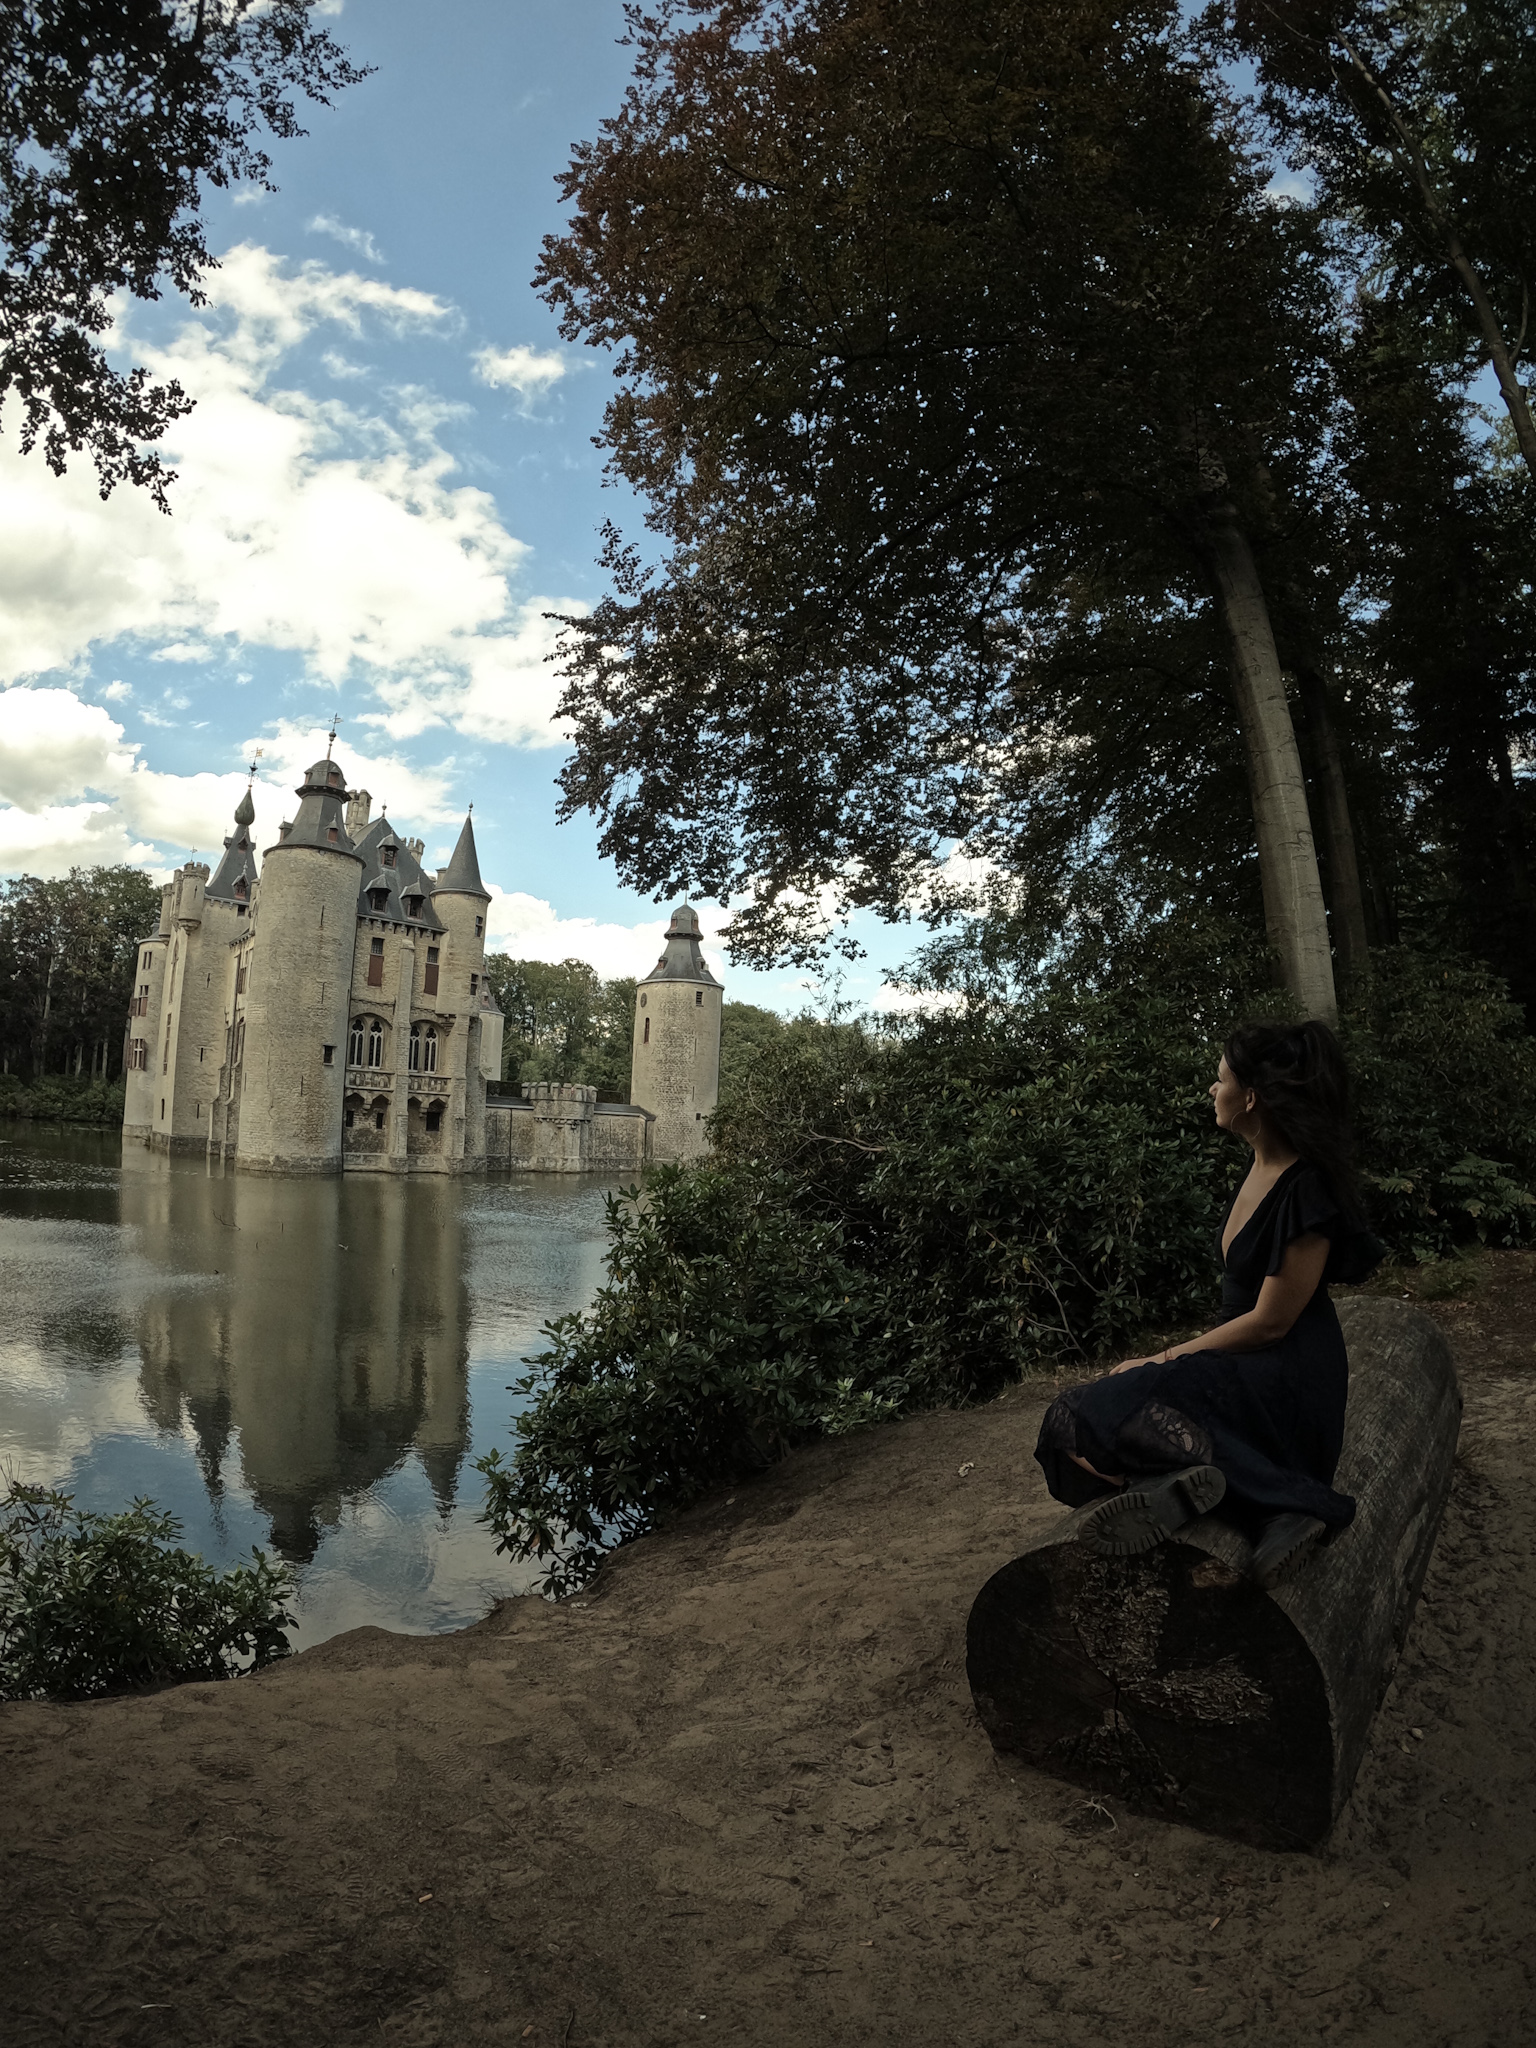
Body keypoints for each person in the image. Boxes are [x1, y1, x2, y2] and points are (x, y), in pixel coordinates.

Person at [1034, 1018, 1385, 1589]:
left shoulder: (1307, 1188)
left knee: (1083, 1414)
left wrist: (1166, 1358)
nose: (1211, 1090)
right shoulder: (1260, 1168)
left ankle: (1288, 1505)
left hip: (1288, 1386)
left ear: (1250, 1097)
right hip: (1245, 1370)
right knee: (1068, 1424)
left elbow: (1271, 1323)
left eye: (1219, 1079)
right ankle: (1188, 1496)